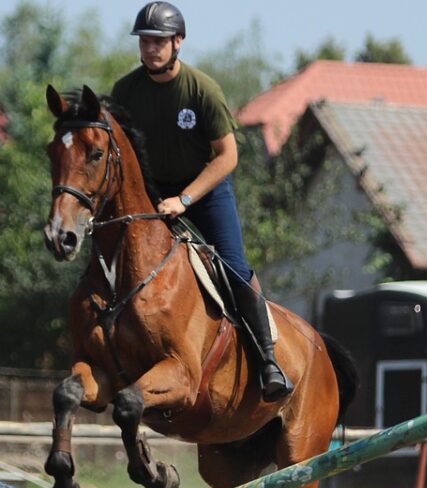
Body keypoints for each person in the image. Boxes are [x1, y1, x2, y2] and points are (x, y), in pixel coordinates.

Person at [109, 1, 293, 402]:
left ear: (179, 42)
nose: (150, 49)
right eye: (145, 41)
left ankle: (268, 360)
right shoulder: (125, 91)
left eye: (159, 41)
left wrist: (186, 198)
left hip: (204, 191)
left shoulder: (201, 89)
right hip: (152, 193)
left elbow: (228, 156)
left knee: (233, 265)